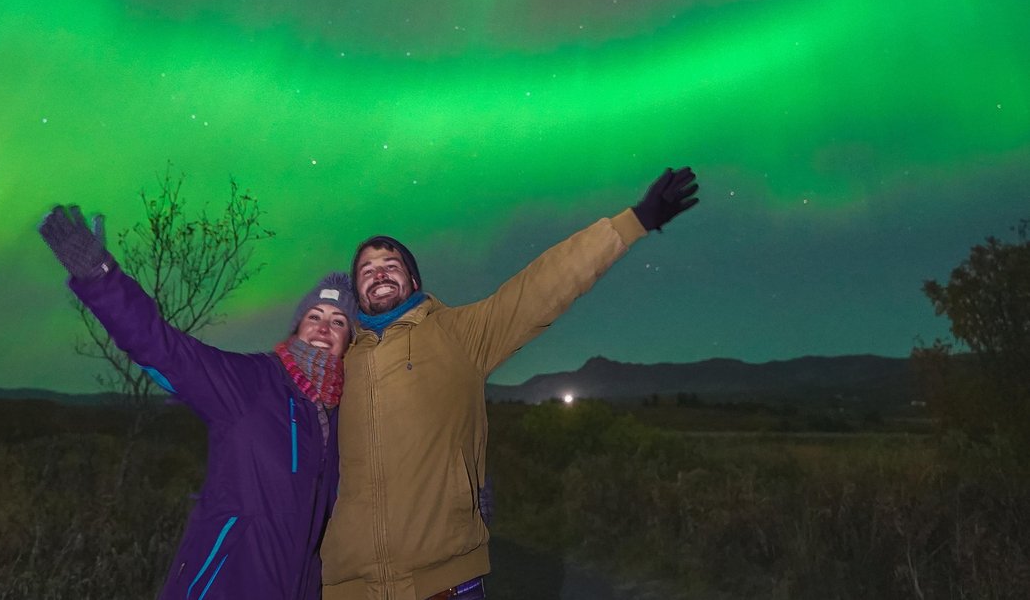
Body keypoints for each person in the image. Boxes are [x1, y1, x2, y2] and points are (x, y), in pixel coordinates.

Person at [320, 167, 700, 600]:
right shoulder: (335, 362)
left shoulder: (460, 334)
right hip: (347, 588)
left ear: (415, 281)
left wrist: (634, 221)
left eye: (392, 265)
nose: (379, 273)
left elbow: (540, 287)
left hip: (441, 580)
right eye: (366, 269)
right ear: (356, 289)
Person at [38, 204, 354, 600]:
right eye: (315, 316)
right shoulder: (253, 382)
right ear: (297, 327)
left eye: (339, 321)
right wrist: (100, 277)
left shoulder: (342, 415)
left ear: (348, 342)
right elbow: (164, 349)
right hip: (224, 586)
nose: (324, 328)